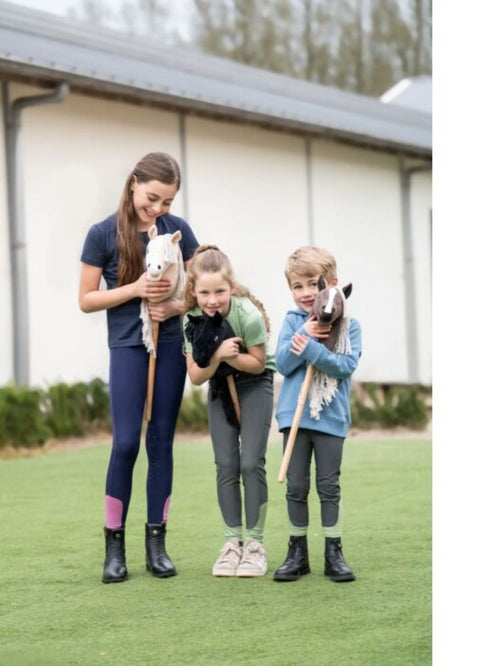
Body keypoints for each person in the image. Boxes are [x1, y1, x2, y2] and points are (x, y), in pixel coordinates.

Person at [79, 152, 199, 583]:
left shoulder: (178, 231)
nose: (159, 209)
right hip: (129, 346)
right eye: (153, 198)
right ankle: (114, 547)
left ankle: (157, 544)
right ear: (134, 184)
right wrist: (134, 289)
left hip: (168, 345)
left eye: (167, 202)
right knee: (127, 442)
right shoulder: (102, 234)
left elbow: (201, 288)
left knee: (161, 442)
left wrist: (172, 306)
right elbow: (86, 299)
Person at [183, 245, 275, 577]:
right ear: (193, 290)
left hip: (254, 382)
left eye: (219, 292)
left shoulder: (247, 314)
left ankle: (255, 545)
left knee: (250, 463)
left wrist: (229, 356)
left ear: (231, 287)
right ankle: (231, 543)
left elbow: (257, 362)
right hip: (219, 385)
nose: (212, 300)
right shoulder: (190, 321)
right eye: (204, 292)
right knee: (226, 464)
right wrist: (218, 356)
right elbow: (195, 375)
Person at [273, 247, 361, 583]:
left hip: (330, 417)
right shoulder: (293, 321)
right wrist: (303, 336)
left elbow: (346, 366)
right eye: (298, 286)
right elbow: (282, 362)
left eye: (313, 284)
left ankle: (334, 552)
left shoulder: (350, 326)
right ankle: (297, 553)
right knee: (295, 486)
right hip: (294, 419)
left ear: (332, 283)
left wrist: (312, 349)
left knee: (328, 486)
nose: (307, 293)